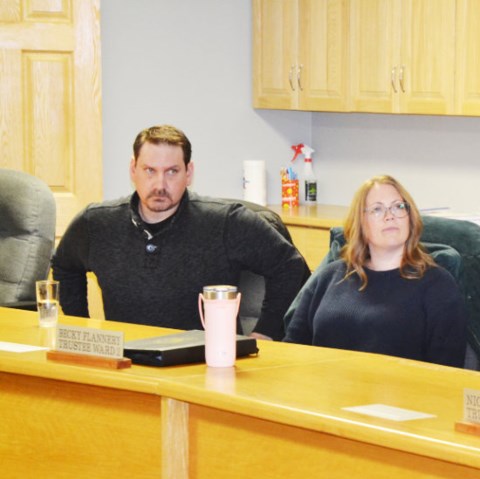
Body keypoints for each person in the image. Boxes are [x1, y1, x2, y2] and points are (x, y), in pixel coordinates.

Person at [52, 125, 308, 341]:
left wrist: (265, 333)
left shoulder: (226, 221)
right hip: (129, 364)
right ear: (133, 170)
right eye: (149, 171)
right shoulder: (97, 222)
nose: (160, 185)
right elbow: (64, 265)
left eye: (172, 172)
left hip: (206, 365)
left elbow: (290, 266)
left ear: (189, 173)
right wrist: (80, 328)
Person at [284, 175, 468, 367]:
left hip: (398, 395)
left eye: (398, 206)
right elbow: (292, 350)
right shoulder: (329, 276)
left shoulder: (438, 286)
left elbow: (448, 371)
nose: (390, 216)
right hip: (320, 391)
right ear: (360, 223)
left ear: (410, 217)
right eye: (377, 209)